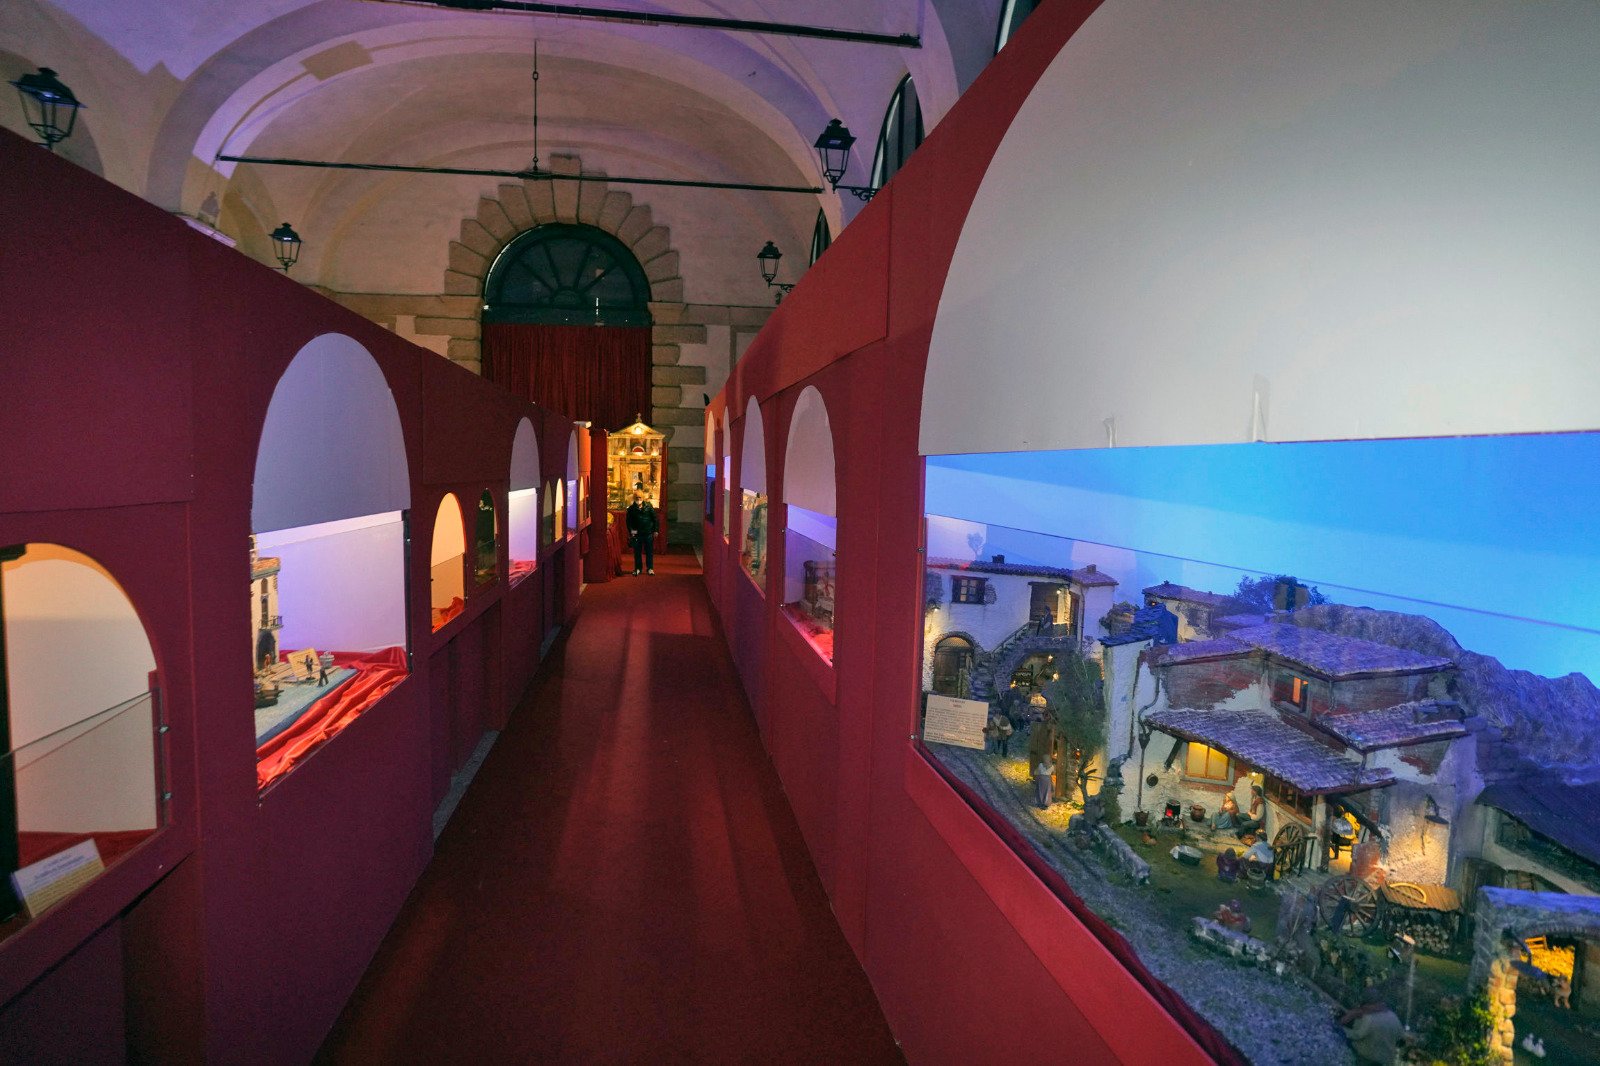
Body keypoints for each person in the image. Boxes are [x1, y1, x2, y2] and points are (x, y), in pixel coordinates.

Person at [1340, 987, 1404, 1064]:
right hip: (1385, 1061)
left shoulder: (1369, 1018)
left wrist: (1342, 1029)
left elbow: (1357, 1035)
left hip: (1367, 1060)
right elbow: (1401, 1039)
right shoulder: (1393, 1016)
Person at [625, 489, 658, 574]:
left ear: (643, 498)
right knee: (637, 552)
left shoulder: (649, 506)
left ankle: (650, 568)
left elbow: (654, 519)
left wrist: (655, 530)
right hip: (637, 534)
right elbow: (629, 522)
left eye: (640, 497)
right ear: (634, 498)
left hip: (648, 533)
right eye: (636, 498)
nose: (638, 499)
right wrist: (632, 533)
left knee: (649, 552)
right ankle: (638, 568)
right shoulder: (631, 509)